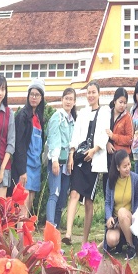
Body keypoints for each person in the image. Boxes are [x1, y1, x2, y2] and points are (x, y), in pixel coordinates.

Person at [64, 80, 111, 245]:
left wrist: (95, 150)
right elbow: (76, 135)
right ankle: (68, 233)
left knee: (89, 201)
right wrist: (71, 154)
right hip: (80, 159)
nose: (91, 95)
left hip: (94, 161)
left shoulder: (105, 112)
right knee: (74, 193)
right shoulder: (82, 113)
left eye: (93, 92)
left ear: (99, 94)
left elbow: (105, 135)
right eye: (88, 92)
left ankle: (84, 240)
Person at [12, 79, 46, 217]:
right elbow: (19, 144)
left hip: (35, 165)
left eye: (37, 95)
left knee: (30, 201)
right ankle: (19, 232)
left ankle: (26, 231)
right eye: (32, 94)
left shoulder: (39, 118)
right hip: (25, 167)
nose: (34, 97)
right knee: (23, 205)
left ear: (41, 98)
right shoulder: (22, 116)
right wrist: (22, 171)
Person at [45, 87, 77, 229]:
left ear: (74, 102)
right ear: (62, 99)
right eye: (66, 98)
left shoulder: (72, 121)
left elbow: (73, 143)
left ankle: (56, 229)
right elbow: (54, 139)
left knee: (62, 198)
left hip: (67, 163)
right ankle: (50, 227)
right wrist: (55, 160)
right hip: (56, 161)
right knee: (55, 193)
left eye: (71, 99)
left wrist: (71, 157)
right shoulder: (57, 117)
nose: (68, 101)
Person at [104, 149, 138, 260]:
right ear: (117, 168)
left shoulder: (135, 179)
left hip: (129, 217)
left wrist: (135, 216)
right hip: (116, 221)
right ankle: (120, 241)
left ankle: (131, 246)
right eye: (124, 166)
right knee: (111, 240)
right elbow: (108, 202)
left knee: (122, 212)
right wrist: (109, 217)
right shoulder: (111, 180)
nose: (128, 168)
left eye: (129, 164)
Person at [104, 87, 133, 196]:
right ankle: (108, 206)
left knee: (120, 186)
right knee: (107, 183)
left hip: (121, 157)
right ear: (114, 100)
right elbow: (102, 132)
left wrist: (114, 137)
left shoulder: (127, 117)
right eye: (120, 102)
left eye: (125, 103)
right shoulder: (107, 113)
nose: (123, 105)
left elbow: (130, 139)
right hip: (107, 155)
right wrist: (106, 143)